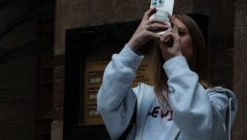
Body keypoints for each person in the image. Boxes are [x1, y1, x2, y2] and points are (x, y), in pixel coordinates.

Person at [97, 8, 237, 140]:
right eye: (166, 32)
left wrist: (175, 60)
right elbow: (106, 104)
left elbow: (197, 122)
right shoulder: (142, 97)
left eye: (180, 33)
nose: (171, 37)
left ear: (195, 45)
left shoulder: (216, 98)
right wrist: (133, 45)